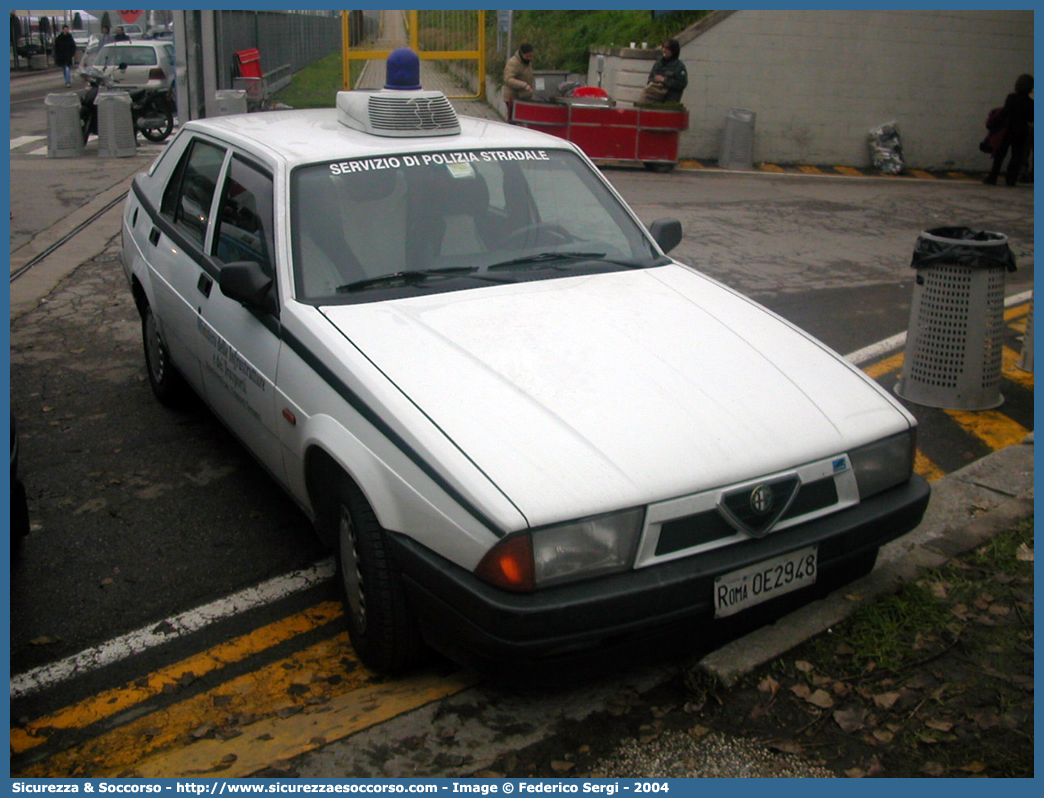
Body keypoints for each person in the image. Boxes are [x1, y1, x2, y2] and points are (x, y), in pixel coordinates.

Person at [984, 74, 1034, 186]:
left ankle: (993, 177)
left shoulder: (1011, 97)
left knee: (1000, 155)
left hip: (1008, 129)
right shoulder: (1031, 103)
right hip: (1022, 130)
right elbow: (1031, 118)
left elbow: (1005, 113)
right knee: (1016, 156)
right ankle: (1011, 179)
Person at [644, 38, 688, 103]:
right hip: (655, 100)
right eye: (663, 47)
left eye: (667, 48)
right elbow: (650, 79)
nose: (664, 50)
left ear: (673, 50)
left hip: (670, 102)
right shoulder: (658, 64)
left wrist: (664, 80)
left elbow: (681, 84)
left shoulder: (679, 66)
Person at [503, 42, 535, 115]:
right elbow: (508, 79)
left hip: (523, 97)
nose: (529, 58)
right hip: (513, 97)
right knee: (514, 121)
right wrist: (524, 85)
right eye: (527, 56)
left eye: (531, 56)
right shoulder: (513, 63)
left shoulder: (528, 63)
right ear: (521, 54)